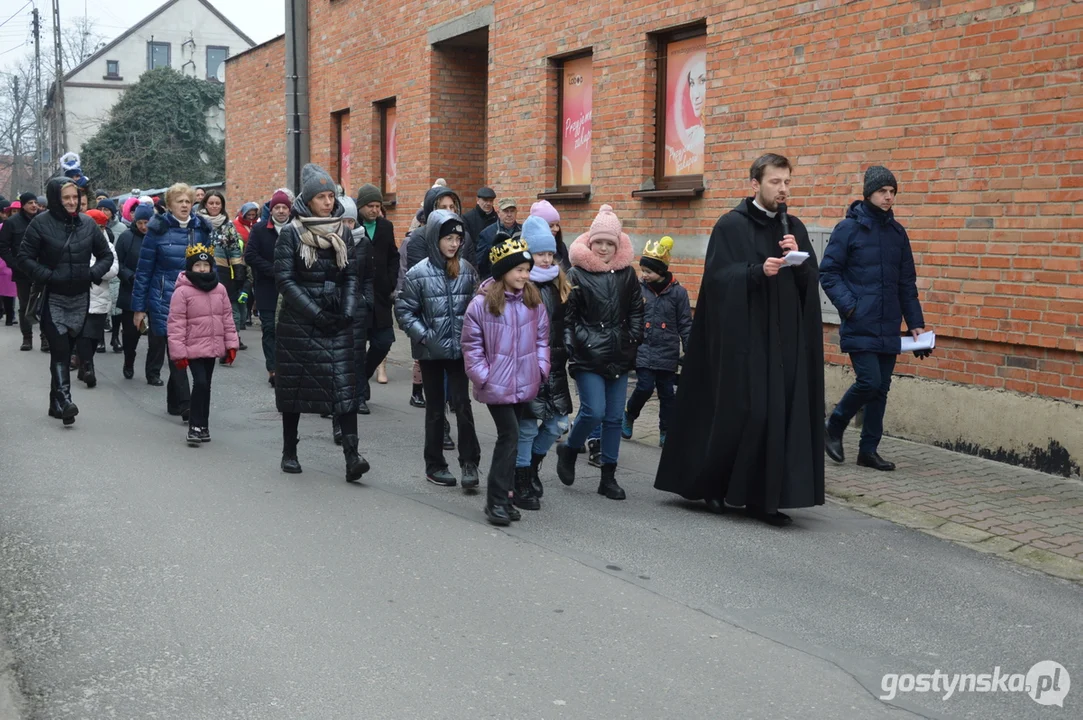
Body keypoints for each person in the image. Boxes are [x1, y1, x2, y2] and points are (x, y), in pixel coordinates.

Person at [653, 153, 825, 527]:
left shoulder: (792, 226)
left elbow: (810, 284)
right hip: (741, 342)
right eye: (775, 182)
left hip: (781, 343)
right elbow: (716, 279)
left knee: (776, 416)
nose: (783, 189)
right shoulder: (731, 225)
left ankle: (764, 500)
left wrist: (800, 260)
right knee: (744, 413)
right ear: (755, 185)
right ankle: (714, 486)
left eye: (787, 182)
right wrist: (754, 271)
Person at [821, 166, 928, 472]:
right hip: (860, 322)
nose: (889, 197)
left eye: (893, 192)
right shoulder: (848, 229)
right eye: (883, 191)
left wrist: (916, 324)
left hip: (890, 324)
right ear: (869, 192)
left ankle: (868, 450)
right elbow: (828, 273)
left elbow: (906, 283)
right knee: (869, 381)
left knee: (881, 389)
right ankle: (834, 424)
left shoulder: (897, 233)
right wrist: (851, 307)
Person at [275, 163, 368, 482]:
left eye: (331, 196)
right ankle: (290, 450)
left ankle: (352, 455)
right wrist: (315, 312)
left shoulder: (343, 231)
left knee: (345, 387)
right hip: (300, 323)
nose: (328, 202)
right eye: (321, 197)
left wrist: (346, 310)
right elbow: (285, 281)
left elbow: (352, 275)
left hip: (338, 320)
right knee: (295, 388)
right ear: (308, 200)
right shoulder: (291, 232)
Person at [554, 205, 644, 500]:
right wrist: (577, 343)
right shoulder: (577, 274)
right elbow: (568, 318)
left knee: (614, 418)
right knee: (594, 410)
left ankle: (608, 476)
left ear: (617, 244)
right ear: (590, 242)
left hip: (619, 353)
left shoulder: (627, 275)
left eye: (609, 243)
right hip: (588, 355)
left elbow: (636, 311)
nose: (604, 248)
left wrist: (632, 338)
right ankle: (569, 449)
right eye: (599, 242)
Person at [462, 237, 550, 525]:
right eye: (519, 270)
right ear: (503, 271)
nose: (525, 275)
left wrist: (540, 369)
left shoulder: (533, 301)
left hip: (525, 382)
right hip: (496, 384)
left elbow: (542, 339)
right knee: (509, 436)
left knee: (513, 439)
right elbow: (471, 346)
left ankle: (507, 497)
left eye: (527, 269)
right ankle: (495, 501)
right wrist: (483, 376)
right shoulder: (481, 304)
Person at [395, 209, 482, 489]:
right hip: (431, 352)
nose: (454, 244)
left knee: (462, 405)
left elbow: (478, 308)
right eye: (448, 238)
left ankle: (470, 463)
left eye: (458, 238)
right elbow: (405, 311)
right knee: (434, 409)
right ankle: (434, 464)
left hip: (459, 352)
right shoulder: (418, 273)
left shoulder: (467, 271)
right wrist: (425, 336)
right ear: (435, 238)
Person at [17, 176, 114, 426]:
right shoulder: (40, 224)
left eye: (75, 197)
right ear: (55, 199)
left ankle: (55, 404)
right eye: (66, 198)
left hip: (81, 297)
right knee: (60, 352)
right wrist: (48, 275)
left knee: (67, 349)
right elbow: (24, 257)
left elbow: (105, 255)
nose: (72, 202)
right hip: (53, 298)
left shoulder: (88, 224)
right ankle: (66, 401)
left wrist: (91, 274)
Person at [132, 183, 213, 420]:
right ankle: (186, 404)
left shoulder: (202, 229)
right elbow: (144, 271)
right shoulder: (156, 231)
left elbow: (208, 268)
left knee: (188, 350)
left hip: (195, 300)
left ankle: (173, 402)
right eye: (180, 201)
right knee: (176, 351)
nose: (185, 205)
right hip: (163, 299)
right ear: (169, 206)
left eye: (188, 201)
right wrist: (139, 309)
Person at [397, 184, 469, 426]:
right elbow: (412, 293)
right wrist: (425, 334)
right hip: (431, 325)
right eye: (443, 207)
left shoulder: (460, 239)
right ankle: (439, 440)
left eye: (453, 207)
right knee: (436, 400)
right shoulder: (419, 239)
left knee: (461, 400)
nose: (450, 211)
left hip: (456, 328)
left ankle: (469, 458)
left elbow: (468, 281)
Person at [515, 216, 572, 502]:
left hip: (556, 366)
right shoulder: (521, 286)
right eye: (541, 254)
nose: (548, 259)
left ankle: (533, 463)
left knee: (558, 423)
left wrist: (569, 346)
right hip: (528, 366)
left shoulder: (558, 285)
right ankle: (522, 475)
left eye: (550, 253)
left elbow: (568, 323)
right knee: (526, 426)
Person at [620, 237, 692, 448]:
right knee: (643, 386)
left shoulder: (678, 293)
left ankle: (665, 430)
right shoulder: (638, 289)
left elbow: (685, 323)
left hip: (667, 351)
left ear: (661, 271)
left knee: (667, 394)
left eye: (648, 271)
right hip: (643, 348)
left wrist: (689, 348)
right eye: (642, 270)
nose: (644, 275)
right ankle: (630, 414)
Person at [168, 243, 239, 445]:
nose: (201, 269)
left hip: (213, 346)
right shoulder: (182, 292)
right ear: (191, 267)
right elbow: (176, 323)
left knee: (205, 385)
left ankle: (203, 425)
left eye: (205, 265)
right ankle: (194, 425)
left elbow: (227, 317)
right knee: (199, 382)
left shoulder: (220, 289)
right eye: (197, 265)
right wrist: (178, 353)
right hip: (192, 348)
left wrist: (231, 344)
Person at [355, 183, 398, 407]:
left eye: (377, 206)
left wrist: (391, 280)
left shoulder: (385, 227)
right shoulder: (352, 226)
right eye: (370, 206)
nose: (374, 210)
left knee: (384, 341)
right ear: (360, 206)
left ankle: (362, 375)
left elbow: (393, 255)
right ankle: (360, 394)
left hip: (381, 296)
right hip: (359, 296)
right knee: (358, 343)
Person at [245, 189, 290, 387]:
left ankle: (288, 368)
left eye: (284, 207)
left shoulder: (296, 229)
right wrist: (272, 270)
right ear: (271, 211)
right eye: (277, 208)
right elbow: (250, 256)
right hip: (266, 288)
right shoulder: (260, 229)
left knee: (286, 331)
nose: (281, 211)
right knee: (270, 328)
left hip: (290, 288)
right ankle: (273, 369)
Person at [198, 191, 248, 357]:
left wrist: (239, 272)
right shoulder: (196, 222)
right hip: (199, 271)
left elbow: (234, 250)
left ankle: (228, 344)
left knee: (225, 310)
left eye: (217, 203)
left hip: (223, 272)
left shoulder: (228, 225)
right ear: (205, 204)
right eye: (211, 203)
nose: (214, 206)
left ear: (222, 206)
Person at [74, 210, 119, 386]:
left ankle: (84, 366)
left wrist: (93, 271)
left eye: (101, 227)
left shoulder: (108, 246)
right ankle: (88, 367)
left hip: (100, 295)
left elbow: (113, 269)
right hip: (79, 295)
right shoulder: (76, 242)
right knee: (83, 334)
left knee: (93, 336)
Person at [115, 202, 155, 379]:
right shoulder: (126, 237)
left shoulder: (158, 236)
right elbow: (117, 264)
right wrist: (130, 276)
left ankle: (152, 371)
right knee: (131, 333)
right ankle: (128, 360)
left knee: (157, 336)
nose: (143, 227)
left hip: (155, 292)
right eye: (140, 223)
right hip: (130, 291)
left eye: (147, 222)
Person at [0, 192, 44, 351]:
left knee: (43, 304)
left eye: (35, 202)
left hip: (42, 269)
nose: (34, 205)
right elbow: (3, 247)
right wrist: (14, 264)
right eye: (30, 202)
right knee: (25, 305)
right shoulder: (11, 223)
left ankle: (45, 338)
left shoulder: (43, 219)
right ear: (23, 204)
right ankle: (27, 338)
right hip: (22, 271)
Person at [475, 199, 522, 278]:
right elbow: (481, 263)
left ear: (516, 212)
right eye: (506, 211)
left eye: (512, 211)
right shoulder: (487, 233)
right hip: (496, 280)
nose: (509, 214)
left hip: (519, 278)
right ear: (498, 213)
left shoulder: (523, 231)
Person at [529, 200, 571, 269]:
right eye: (551, 226)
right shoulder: (527, 247)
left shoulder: (561, 246)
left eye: (557, 225)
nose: (556, 229)